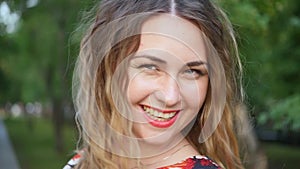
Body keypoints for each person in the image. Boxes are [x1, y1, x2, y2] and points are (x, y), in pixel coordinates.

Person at [64, 0, 248, 168]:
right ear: (108, 68)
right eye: (151, 67)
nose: (170, 96)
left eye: (192, 71)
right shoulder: (83, 161)